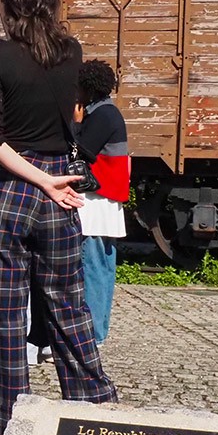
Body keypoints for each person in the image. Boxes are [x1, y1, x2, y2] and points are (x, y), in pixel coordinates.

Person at [0, 0, 118, 435]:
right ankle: (93, 404)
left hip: (10, 187)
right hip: (61, 184)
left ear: (8, 5)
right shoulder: (70, 51)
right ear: (51, 2)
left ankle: (10, 421)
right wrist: (54, 183)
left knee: (4, 311)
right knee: (67, 303)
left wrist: (41, 181)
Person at [73, 59, 130, 343]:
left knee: (92, 268)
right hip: (106, 202)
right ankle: (98, 332)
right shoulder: (109, 112)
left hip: (97, 203)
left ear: (88, 88)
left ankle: (91, 334)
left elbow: (80, 149)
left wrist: (74, 123)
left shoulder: (102, 115)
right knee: (102, 269)